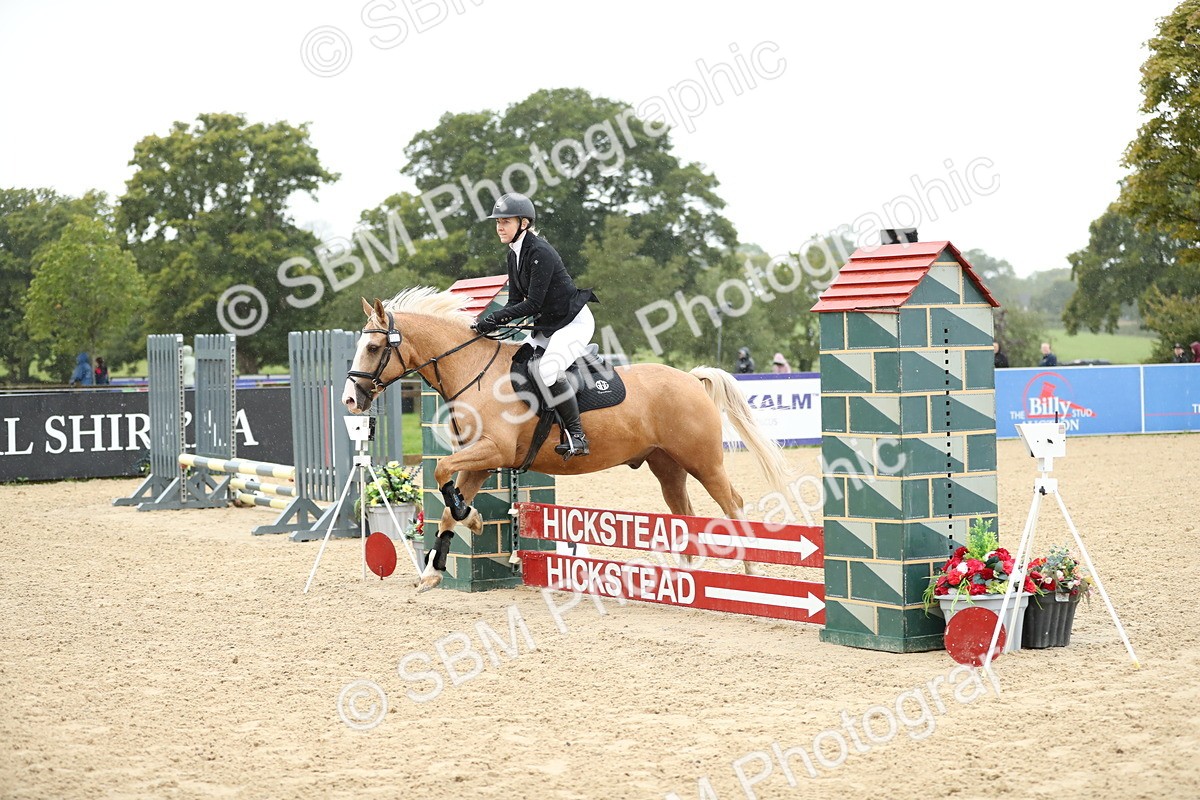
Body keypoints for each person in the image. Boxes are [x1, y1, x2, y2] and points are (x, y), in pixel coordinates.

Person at [474, 192, 598, 459]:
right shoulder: (513, 255)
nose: (499, 227)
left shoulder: (539, 251)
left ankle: (577, 436)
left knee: (549, 370)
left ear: (524, 223)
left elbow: (531, 304)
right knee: (518, 360)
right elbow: (515, 301)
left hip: (573, 322)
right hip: (549, 326)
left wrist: (495, 318)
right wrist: (485, 326)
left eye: (506, 221)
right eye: (498, 222)